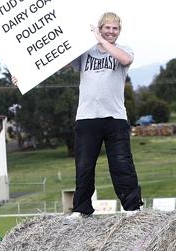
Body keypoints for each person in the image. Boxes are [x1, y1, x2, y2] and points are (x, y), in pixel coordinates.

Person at [68, 12, 142, 217]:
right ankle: (81, 209)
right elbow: (56, 62)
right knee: (84, 165)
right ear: (100, 28)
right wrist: (22, 76)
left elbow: (126, 60)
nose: (111, 32)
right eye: (107, 28)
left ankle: (132, 207)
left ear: (119, 31)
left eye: (115, 28)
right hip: (86, 117)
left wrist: (100, 40)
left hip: (115, 117)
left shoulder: (123, 50)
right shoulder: (85, 52)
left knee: (121, 163)